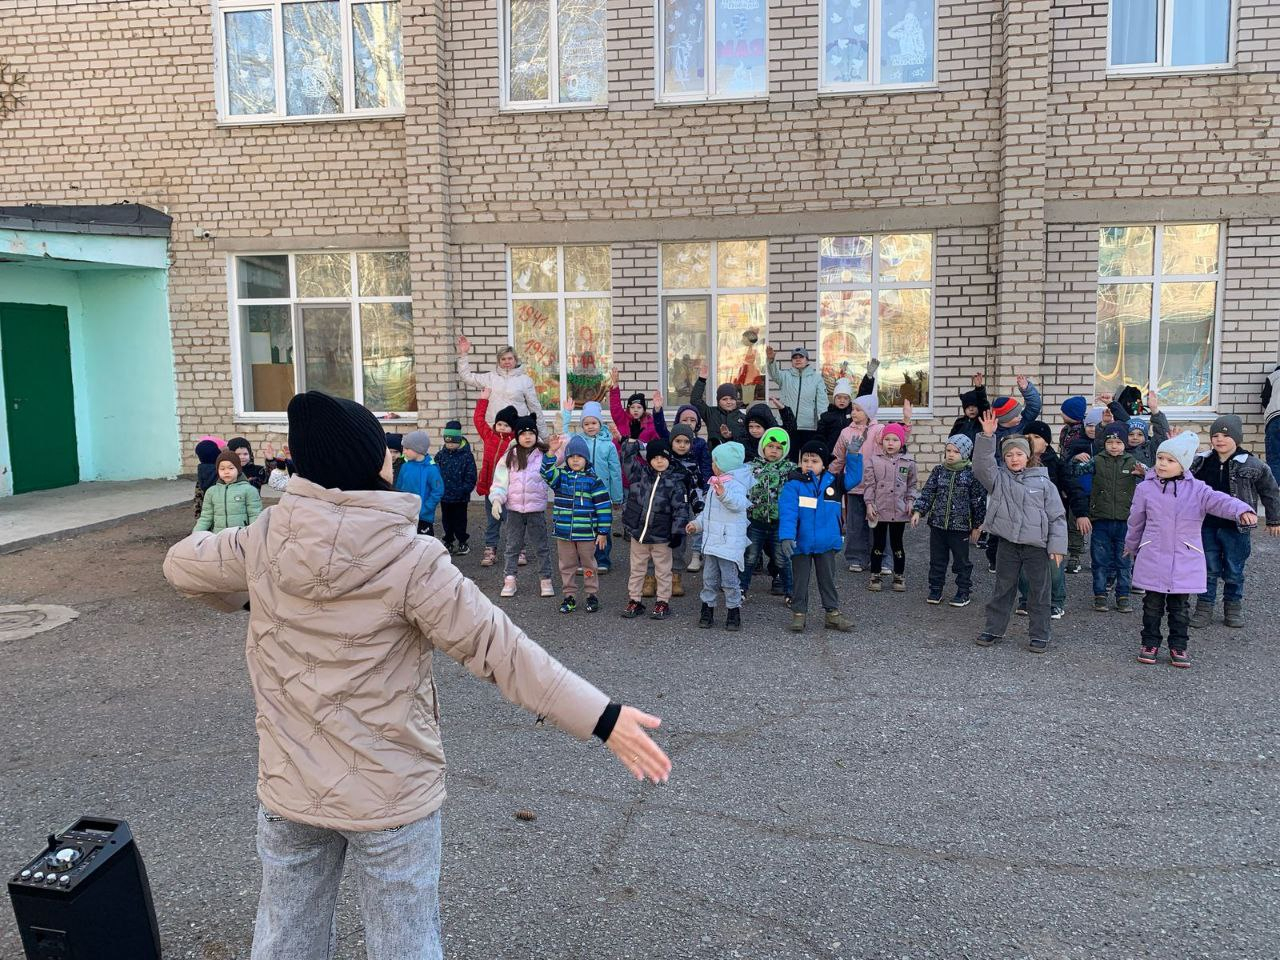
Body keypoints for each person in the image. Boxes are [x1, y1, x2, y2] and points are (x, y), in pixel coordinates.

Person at [162, 390, 670, 960]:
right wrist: (602, 717)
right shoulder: (409, 557)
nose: (392, 454)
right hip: (391, 792)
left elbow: (181, 564)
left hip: (290, 783)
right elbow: (502, 651)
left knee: (285, 937)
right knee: (403, 942)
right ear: (367, 462)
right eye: (384, 446)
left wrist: (246, 594)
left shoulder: (264, 538)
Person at [1126, 431, 1257, 668]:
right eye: (1160, 458)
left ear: (1183, 464)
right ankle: (1149, 643)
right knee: (1151, 606)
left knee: (1180, 608)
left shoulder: (1197, 489)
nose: (1162, 464)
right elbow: (1136, 520)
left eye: (1170, 460)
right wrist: (1132, 545)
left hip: (1184, 559)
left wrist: (1241, 509)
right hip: (1153, 555)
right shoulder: (1145, 488)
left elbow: (1221, 501)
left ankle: (1178, 646)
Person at [973, 411, 1067, 653]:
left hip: (1037, 547)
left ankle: (1040, 634)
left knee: (1039, 592)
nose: (1014, 459)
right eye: (1009, 455)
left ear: (1028, 456)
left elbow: (1057, 517)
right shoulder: (999, 480)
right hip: (1008, 544)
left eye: (1018, 454)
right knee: (1003, 588)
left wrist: (1057, 547)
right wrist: (987, 437)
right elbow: (982, 467)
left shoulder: (1044, 483)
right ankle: (993, 629)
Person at [1188, 414, 1280, 629]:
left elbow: (1270, 491)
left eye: (1225, 436)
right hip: (1207, 525)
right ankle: (1204, 607)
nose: (1220, 440)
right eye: (1215, 436)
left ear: (1237, 438)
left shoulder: (1252, 464)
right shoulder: (1201, 461)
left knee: (1234, 570)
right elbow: (1183, 482)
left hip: (1236, 528)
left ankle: (1232, 607)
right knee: (1207, 568)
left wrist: (1274, 519)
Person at [778, 441, 857, 633]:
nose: (809, 464)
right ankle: (799, 614)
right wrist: (787, 536)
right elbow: (788, 513)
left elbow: (854, 478)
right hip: (801, 543)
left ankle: (832, 614)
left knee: (827, 580)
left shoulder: (835, 482)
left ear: (824, 464)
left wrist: (854, 455)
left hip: (826, 542)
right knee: (800, 581)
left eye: (814, 461)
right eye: (805, 460)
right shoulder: (794, 485)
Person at [1072, 422, 1146, 613]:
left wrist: (1143, 474)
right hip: (1101, 520)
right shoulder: (1097, 460)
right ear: (1104, 443)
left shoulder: (1132, 462)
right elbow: (1075, 471)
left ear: (1125, 444)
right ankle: (1100, 595)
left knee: (1123, 562)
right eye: (1110, 442)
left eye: (1118, 442)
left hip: (1125, 521)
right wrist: (1074, 459)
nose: (1114, 446)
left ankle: (1123, 596)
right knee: (1100, 561)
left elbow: (1154, 477)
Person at [1019, 421, 1084, 619]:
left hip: (1051, 524)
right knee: (1024, 567)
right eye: (1027, 436)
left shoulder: (1056, 464)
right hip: (1025, 524)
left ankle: (1056, 601)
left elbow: (1073, 488)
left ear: (1047, 443)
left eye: (1037, 437)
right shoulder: (1016, 463)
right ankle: (1026, 599)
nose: (1031, 440)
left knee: (1054, 565)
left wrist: (1081, 514)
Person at [912, 434, 985, 608]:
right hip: (938, 524)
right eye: (948, 450)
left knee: (961, 561)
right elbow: (928, 492)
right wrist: (918, 511)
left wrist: (978, 526)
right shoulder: (939, 471)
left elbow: (978, 502)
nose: (951, 454)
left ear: (965, 453)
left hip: (960, 527)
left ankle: (963, 591)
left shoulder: (972, 474)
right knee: (937, 560)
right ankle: (935, 589)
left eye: (956, 452)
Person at [541, 434, 612, 614]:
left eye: (579, 456)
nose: (575, 460)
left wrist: (603, 531)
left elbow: (603, 507)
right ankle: (569, 596)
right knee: (566, 566)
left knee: (589, 565)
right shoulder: (561, 477)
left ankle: (591, 594)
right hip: (563, 533)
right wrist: (551, 453)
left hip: (586, 534)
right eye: (571, 456)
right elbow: (545, 472)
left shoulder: (593, 480)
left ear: (586, 459)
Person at [620, 438, 689, 621]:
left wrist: (677, 532)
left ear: (669, 458)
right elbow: (627, 458)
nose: (659, 461)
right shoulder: (639, 475)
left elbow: (681, 509)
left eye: (663, 457)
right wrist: (632, 441)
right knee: (637, 569)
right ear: (648, 459)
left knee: (663, 570)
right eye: (655, 457)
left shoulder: (675, 482)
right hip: (638, 534)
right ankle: (635, 599)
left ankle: (662, 601)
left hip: (662, 536)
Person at [489, 417, 554, 598]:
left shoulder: (543, 455)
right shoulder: (509, 456)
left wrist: (563, 425)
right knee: (512, 547)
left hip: (536, 510)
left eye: (531, 433)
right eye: (523, 434)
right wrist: (497, 499)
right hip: (514, 511)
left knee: (541, 547)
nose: (527, 437)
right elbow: (500, 482)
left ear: (536, 435)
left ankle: (546, 580)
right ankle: (509, 580)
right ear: (517, 436)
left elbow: (563, 452)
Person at [688, 442, 750, 631]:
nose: (712, 464)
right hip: (712, 542)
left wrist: (723, 494)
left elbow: (738, 504)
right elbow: (708, 512)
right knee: (709, 579)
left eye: (715, 461)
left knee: (730, 581)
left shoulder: (737, 485)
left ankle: (733, 611)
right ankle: (707, 609)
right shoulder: (715, 483)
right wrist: (697, 524)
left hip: (727, 543)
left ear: (724, 464)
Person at [561, 399, 623, 573]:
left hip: (603, 495)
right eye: (586, 424)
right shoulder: (578, 441)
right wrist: (567, 414)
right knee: (585, 527)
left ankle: (602, 560)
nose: (590, 427)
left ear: (600, 423)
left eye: (594, 423)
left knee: (603, 526)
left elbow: (615, 472)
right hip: (582, 494)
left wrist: (617, 497)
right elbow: (563, 434)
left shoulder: (608, 445)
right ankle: (585, 560)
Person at [742, 426, 794, 602]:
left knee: (782, 559)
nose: (774, 450)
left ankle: (790, 593)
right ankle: (741, 590)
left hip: (779, 524)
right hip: (755, 522)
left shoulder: (790, 470)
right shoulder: (751, 468)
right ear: (763, 446)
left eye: (779, 448)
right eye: (770, 446)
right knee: (750, 557)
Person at [863, 422, 916, 593]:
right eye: (887, 439)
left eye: (895, 440)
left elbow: (912, 485)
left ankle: (899, 576)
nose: (890, 443)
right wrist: (869, 504)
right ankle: (875, 575)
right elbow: (869, 485)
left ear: (902, 442)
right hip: (879, 509)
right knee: (878, 544)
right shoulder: (874, 461)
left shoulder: (909, 462)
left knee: (897, 544)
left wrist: (910, 501)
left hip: (899, 511)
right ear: (882, 441)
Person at [473, 393, 519, 567]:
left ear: (512, 428)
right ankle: (490, 549)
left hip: (508, 490)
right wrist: (483, 400)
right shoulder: (489, 436)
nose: (501, 427)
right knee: (492, 520)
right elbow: (478, 420)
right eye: (499, 424)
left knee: (510, 521)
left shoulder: (514, 443)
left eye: (506, 425)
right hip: (489, 489)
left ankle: (518, 549)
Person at [455, 335, 544, 425]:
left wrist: (543, 433)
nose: (507, 361)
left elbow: (535, 408)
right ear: (499, 361)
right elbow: (466, 377)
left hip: (516, 428)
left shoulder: (525, 381)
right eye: (503, 359)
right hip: (494, 428)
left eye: (510, 358)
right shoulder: (489, 378)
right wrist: (464, 354)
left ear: (515, 360)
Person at [765, 345, 828, 452]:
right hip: (787, 425)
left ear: (807, 360)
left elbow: (822, 402)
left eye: (801, 357)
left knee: (806, 455)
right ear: (792, 361)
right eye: (795, 357)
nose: (798, 359)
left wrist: (823, 423)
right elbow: (774, 374)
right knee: (789, 456)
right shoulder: (785, 376)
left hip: (808, 427)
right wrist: (771, 360)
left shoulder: (816, 378)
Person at [194, 448, 263, 533]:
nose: (226, 472)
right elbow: (206, 517)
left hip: (240, 536)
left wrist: (254, 535)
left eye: (231, 468)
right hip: (218, 536)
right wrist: (195, 534)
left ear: (238, 469)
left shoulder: (249, 490)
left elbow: (255, 515)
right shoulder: (211, 492)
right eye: (222, 469)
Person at [435, 420, 477, 555]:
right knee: (446, 521)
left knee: (460, 521)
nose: (450, 445)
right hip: (445, 496)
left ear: (459, 440)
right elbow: (434, 472)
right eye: (447, 442)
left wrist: (464, 490)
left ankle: (462, 542)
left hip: (460, 497)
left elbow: (471, 476)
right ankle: (448, 541)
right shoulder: (441, 455)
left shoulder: (467, 456)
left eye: (453, 442)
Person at [395, 431, 445, 537]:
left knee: (424, 541)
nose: (404, 451)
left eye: (407, 449)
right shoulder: (405, 467)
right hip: (406, 514)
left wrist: (426, 509)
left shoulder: (431, 469)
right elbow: (398, 488)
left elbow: (438, 491)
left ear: (418, 449)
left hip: (424, 517)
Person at [690, 362, 747, 449]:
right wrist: (701, 380)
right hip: (713, 455)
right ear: (718, 401)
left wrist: (730, 437)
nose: (729, 402)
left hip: (735, 455)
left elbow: (746, 441)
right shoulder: (711, 413)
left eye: (732, 399)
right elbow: (695, 400)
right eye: (724, 399)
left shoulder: (743, 418)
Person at [1124, 392, 1169, 467]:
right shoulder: (1119, 449)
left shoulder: (1152, 448)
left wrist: (1154, 410)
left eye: (1140, 434)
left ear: (1145, 436)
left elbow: (1162, 434)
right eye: (1131, 434)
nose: (1135, 437)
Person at [815, 377, 855, 457]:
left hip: (849, 451)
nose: (842, 400)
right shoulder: (826, 416)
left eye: (845, 398)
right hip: (832, 452)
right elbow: (820, 436)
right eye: (839, 397)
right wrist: (822, 450)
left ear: (849, 400)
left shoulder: (853, 414)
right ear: (834, 399)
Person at [949, 372, 989, 444]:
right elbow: (951, 440)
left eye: (974, 406)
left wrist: (979, 388)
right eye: (968, 407)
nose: (971, 409)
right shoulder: (959, 422)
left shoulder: (982, 421)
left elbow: (983, 404)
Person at [193, 438, 222, 518]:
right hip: (219, 512)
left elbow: (198, 498)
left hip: (205, 513)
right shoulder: (221, 472)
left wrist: (198, 516)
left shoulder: (201, 471)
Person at [1262, 364, 1280, 486]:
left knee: (1274, 459)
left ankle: (1274, 492)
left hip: (1275, 418)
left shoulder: (1274, 376)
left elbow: (1265, 400)